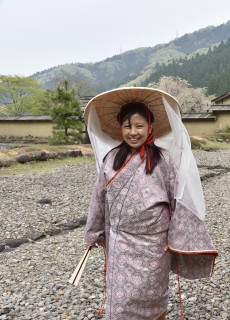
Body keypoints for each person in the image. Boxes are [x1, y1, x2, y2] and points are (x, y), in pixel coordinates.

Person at [83, 87, 217, 320]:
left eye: (139, 126)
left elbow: (178, 199)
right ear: (120, 128)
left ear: (150, 127)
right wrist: (93, 232)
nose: (133, 132)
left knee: (154, 296)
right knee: (121, 301)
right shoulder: (111, 159)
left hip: (155, 243)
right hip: (121, 242)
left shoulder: (164, 159)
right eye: (127, 126)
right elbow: (99, 198)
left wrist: (180, 237)